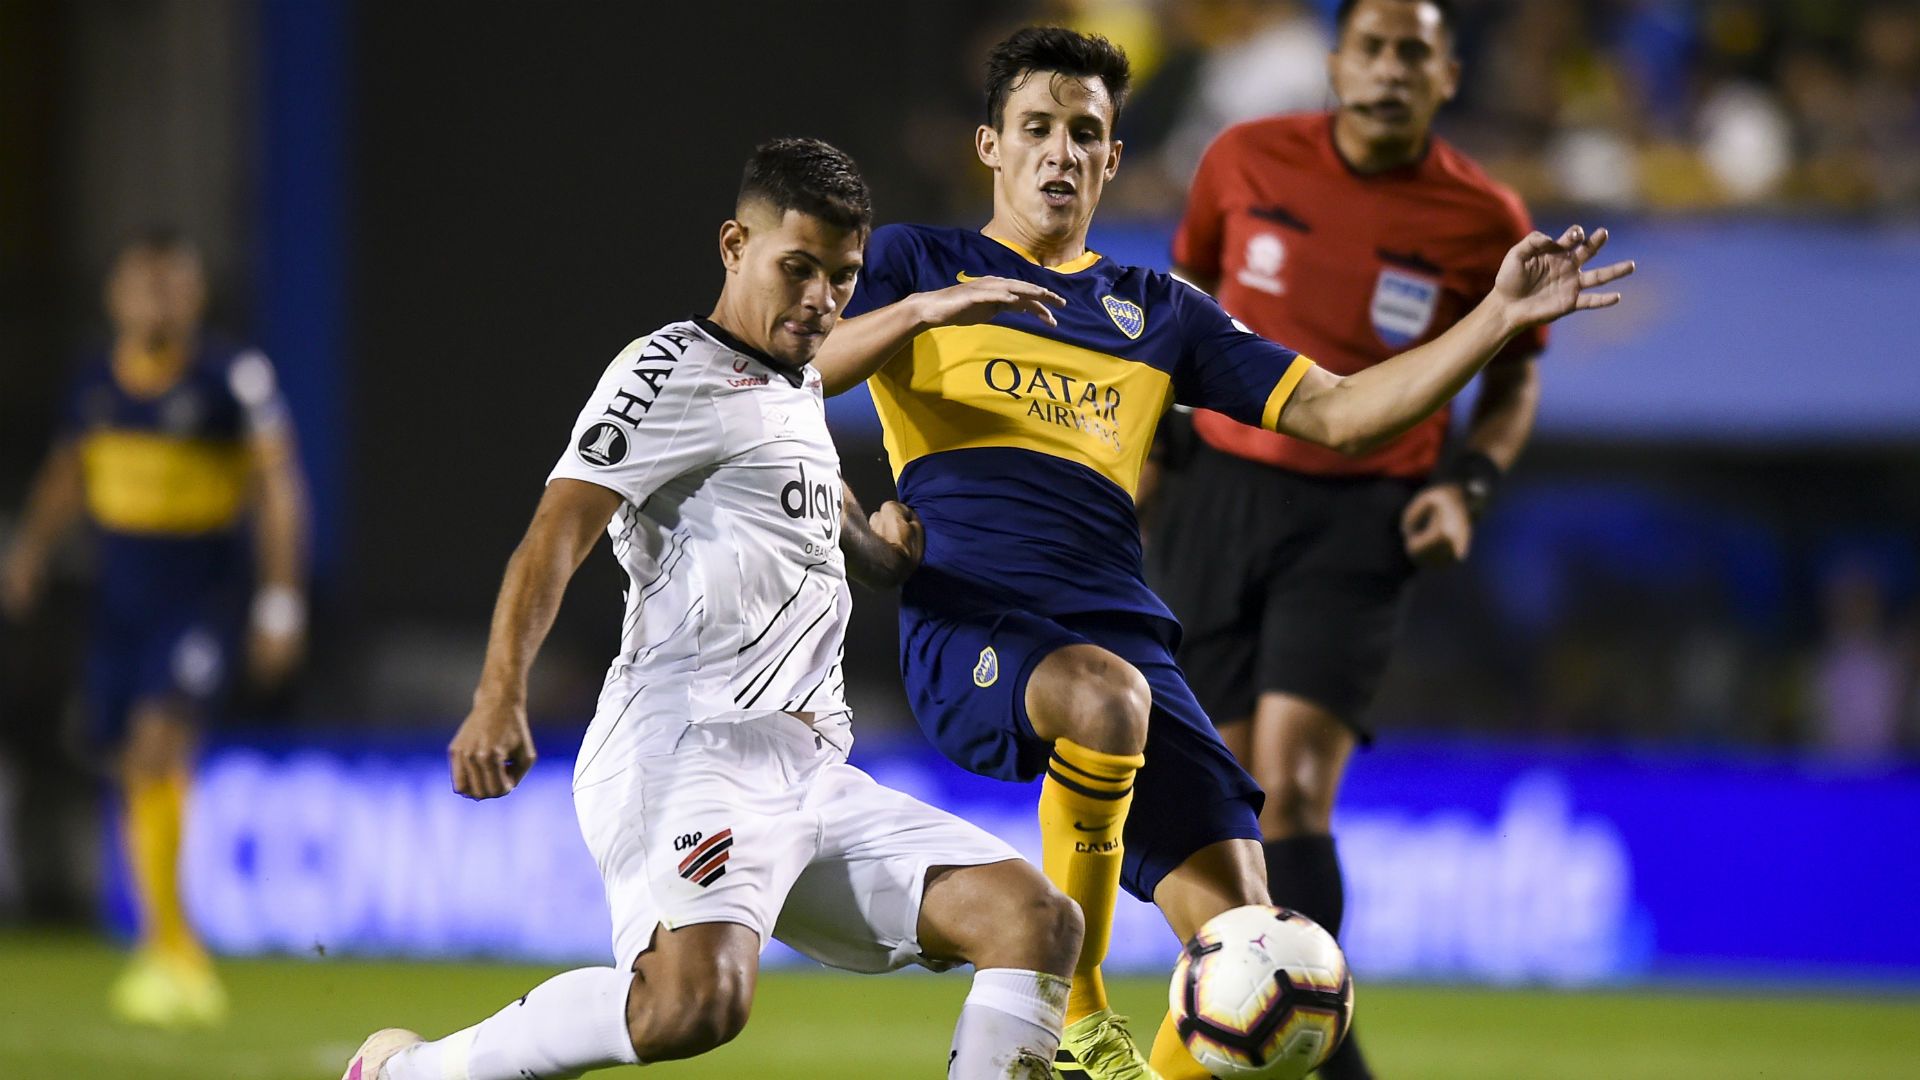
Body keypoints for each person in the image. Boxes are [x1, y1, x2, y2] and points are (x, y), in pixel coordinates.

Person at [812, 25, 1631, 1080]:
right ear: (991, 146)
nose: (1060, 151)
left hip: (1127, 641)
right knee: (1102, 702)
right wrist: (926, 312)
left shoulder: (1157, 312)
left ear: (1113, 158)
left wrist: (1493, 319)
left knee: (1265, 954)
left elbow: (1339, 413)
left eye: (1085, 132)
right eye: (1036, 128)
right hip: (974, 618)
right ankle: (1072, 1021)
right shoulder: (915, 263)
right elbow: (798, 361)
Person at [343, 138, 1086, 1080]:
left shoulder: (795, 382)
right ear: (734, 244)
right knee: (695, 1004)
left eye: (842, 278)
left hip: (811, 768)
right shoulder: (667, 373)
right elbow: (554, 535)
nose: (820, 298)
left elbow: (808, 515)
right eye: (798, 269)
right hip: (691, 750)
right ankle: (408, 1075)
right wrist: (500, 695)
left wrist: (878, 552)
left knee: (1037, 920)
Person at [1145, 2, 1542, 1075]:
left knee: (1294, 780)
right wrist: (1151, 445)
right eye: (1372, 47)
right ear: (1337, 63)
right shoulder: (1241, 161)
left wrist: (1467, 483)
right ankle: (1288, 1035)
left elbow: (1514, 376)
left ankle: (1313, 1049)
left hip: (1366, 510)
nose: (1390, 69)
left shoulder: (1480, 215)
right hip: (1221, 490)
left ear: (1446, 73)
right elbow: (1187, 302)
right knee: (1221, 791)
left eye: (1414, 51)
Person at [0, 229, 309, 1027]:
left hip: (200, 598)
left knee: (156, 740)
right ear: (117, 296)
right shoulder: (96, 383)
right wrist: (31, 548)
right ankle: (161, 945)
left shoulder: (228, 379)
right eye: (146, 286)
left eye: (174, 286)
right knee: (131, 764)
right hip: (119, 601)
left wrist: (280, 602)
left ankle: (177, 953)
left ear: (196, 296)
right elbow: (69, 472)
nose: (159, 301)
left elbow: (279, 489)